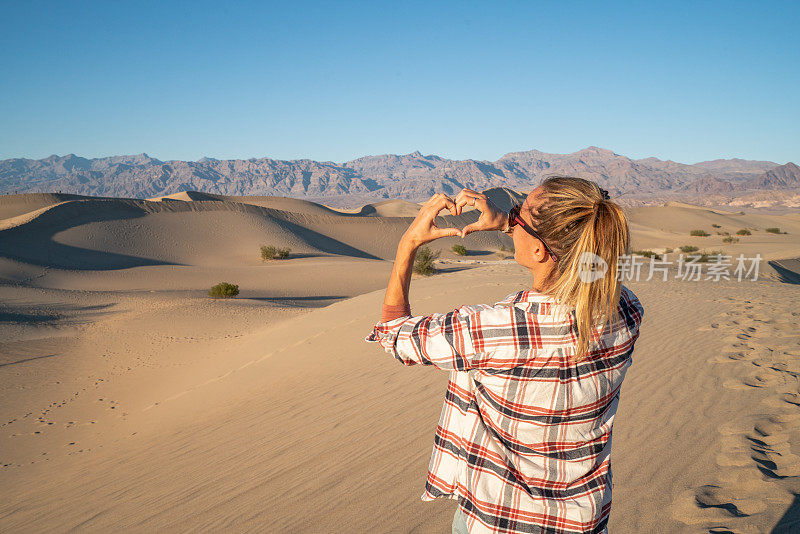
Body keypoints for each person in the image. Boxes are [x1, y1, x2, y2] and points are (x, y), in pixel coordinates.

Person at [365, 176, 645, 534]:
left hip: (499, 520)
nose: (512, 219)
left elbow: (394, 335)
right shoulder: (625, 310)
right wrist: (512, 222)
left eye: (519, 214)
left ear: (540, 251)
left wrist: (408, 245)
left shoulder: (494, 329)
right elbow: (590, 271)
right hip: (582, 522)